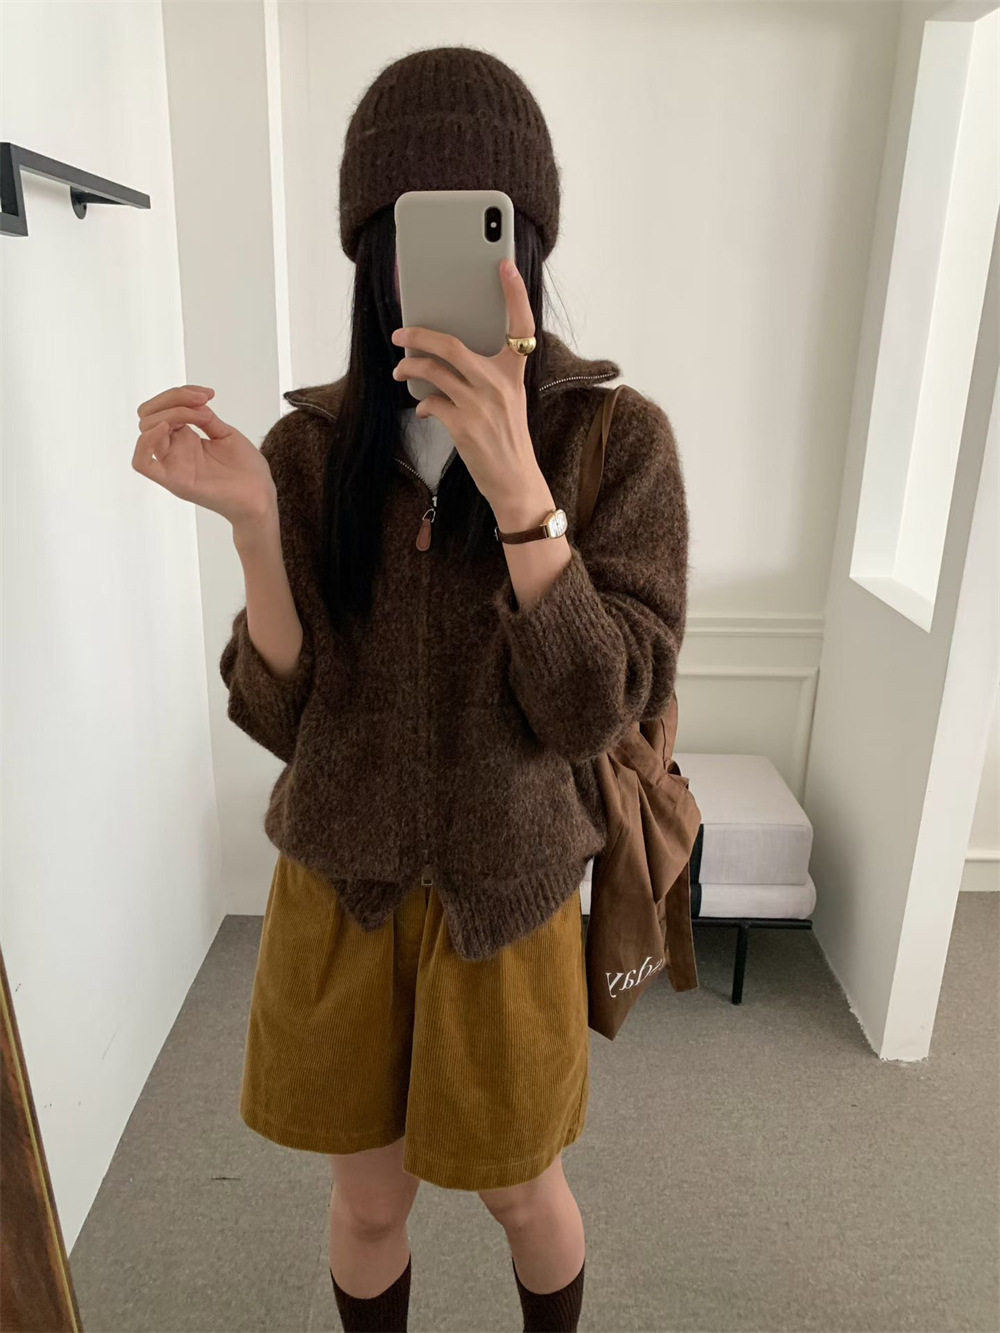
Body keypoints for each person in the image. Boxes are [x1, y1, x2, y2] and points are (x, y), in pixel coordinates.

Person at [133, 44, 690, 1333]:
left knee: (522, 1194)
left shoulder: (617, 442)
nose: (432, 266)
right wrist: (256, 527)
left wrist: (519, 491)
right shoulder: (312, 446)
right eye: (400, 233)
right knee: (369, 1203)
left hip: (511, 895)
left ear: (527, 242)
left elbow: (594, 710)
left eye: (480, 228)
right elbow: (285, 715)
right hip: (344, 890)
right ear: (367, 251)